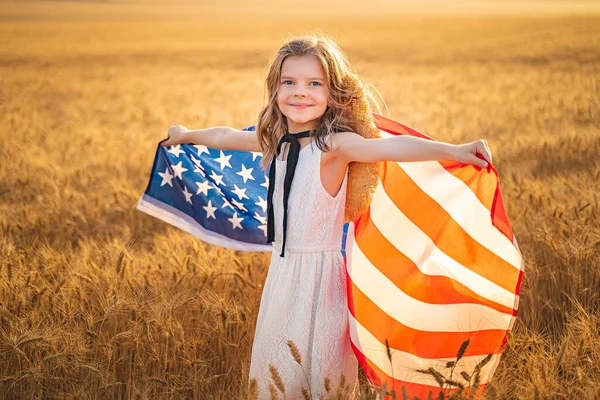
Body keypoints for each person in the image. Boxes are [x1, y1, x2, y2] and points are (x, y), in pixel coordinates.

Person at [161, 34, 492, 400]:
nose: (300, 92)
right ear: (275, 90)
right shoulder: (276, 139)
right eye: (289, 82)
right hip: (283, 276)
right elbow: (227, 136)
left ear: (332, 93)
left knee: (325, 379)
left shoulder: (335, 147)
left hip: (323, 285)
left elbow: (391, 146)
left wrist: (456, 150)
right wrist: (186, 135)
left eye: (313, 84)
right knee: (276, 380)